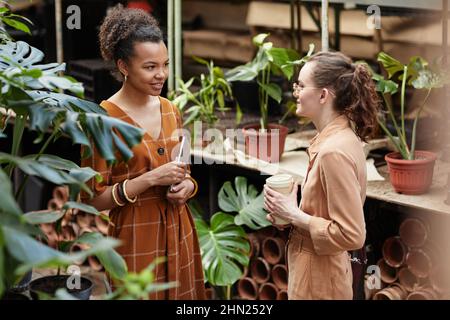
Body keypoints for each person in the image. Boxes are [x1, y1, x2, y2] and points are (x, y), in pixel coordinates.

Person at [80, 5, 206, 300]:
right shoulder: (103, 121)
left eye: (165, 64)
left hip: (180, 230)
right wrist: (149, 179)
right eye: (150, 67)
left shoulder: (171, 110)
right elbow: (92, 199)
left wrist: (187, 186)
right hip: (135, 236)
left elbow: (183, 170)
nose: (161, 74)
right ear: (123, 66)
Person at [264, 51, 380, 300]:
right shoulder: (339, 138)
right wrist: (287, 214)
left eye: (301, 85)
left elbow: (352, 234)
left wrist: (294, 214)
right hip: (319, 269)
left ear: (323, 95)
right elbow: (325, 214)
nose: (295, 91)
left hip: (319, 278)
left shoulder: (332, 152)